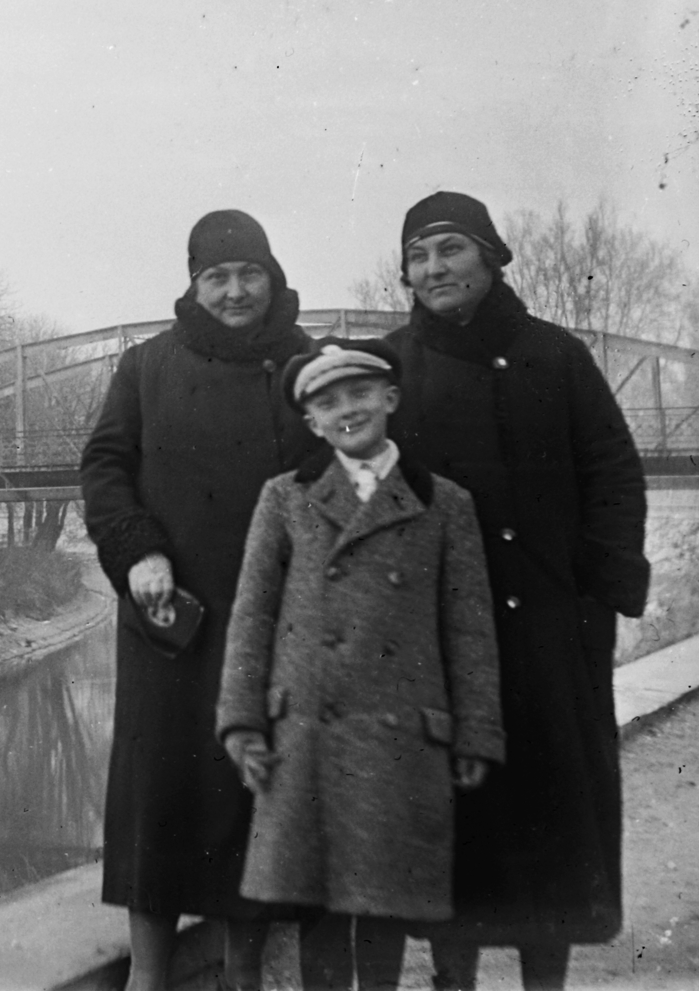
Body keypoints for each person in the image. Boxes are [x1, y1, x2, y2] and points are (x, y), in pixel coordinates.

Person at [382, 191, 650, 991]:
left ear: (493, 256)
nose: (435, 269)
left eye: (451, 249)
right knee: (453, 828)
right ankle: (453, 982)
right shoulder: (393, 364)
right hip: (441, 638)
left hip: (548, 629)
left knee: (554, 816)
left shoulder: (556, 357)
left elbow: (613, 473)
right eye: (419, 256)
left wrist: (595, 598)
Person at [215, 338, 506, 991]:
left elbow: (469, 625)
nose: (347, 409)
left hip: (403, 741)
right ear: (312, 422)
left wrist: (477, 730)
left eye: (360, 393)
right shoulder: (285, 498)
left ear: (390, 399)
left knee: (385, 903)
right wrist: (241, 722)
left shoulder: (445, 503)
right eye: (327, 402)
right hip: (306, 737)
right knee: (317, 903)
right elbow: (252, 615)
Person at [80, 210, 317, 991]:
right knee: (158, 810)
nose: (236, 291)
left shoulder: (307, 363)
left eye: (250, 273)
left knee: (251, 808)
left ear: (273, 274)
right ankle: (149, 980)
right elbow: (106, 467)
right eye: (216, 276)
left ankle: (241, 977)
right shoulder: (145, 367)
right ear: (192, 283)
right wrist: (135, 548)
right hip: (170, 622)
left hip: (274, 624)